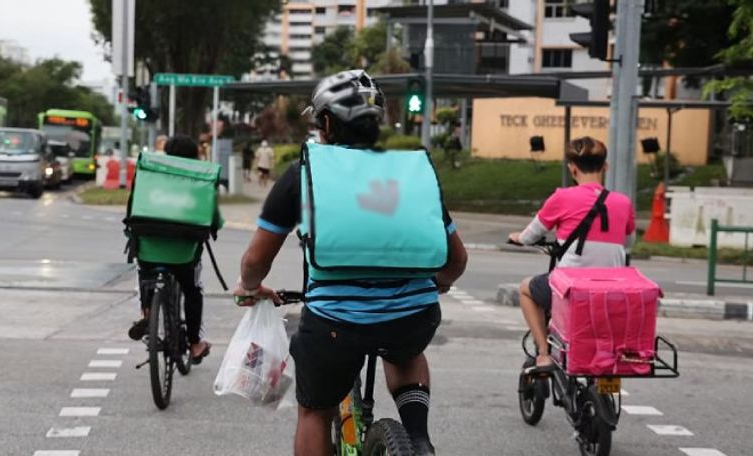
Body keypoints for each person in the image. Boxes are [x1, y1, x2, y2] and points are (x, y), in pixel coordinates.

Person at [234, 69, 468, 456]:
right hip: (414, 315)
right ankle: (419, 440)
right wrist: (438, 282)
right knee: (405, 350)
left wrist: (249, 285)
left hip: (334, 326)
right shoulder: (414, 171)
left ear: (325, 123)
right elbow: (456, 259)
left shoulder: (303, 173)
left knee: (314, 411)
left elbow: (257, 260)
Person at [509, 136, 635, 373]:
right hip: (613, 289)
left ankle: (544, 355)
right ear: (605, 167)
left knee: (526, 289)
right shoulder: (623, 202)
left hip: (572, 289)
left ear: (572, 168)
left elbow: (530, 235)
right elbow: (629, 239)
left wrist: (518, 237)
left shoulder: (562, 197)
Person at [127, 134, 212, 363]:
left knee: (145, 275)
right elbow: (213, 218)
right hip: (184, 253)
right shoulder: (199, 179)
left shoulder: (149, 173)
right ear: (194, 156)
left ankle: (147, 312)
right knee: (193, 290)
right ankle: (194, 344)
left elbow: (132, 207)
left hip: (149, 248)